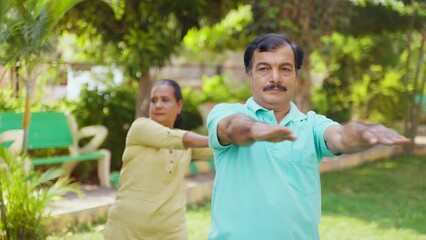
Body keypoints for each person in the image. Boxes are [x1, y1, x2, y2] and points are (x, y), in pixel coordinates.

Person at [206, 33, 410, 240]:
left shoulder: (311, 125)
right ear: (250, 75)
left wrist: (362, 133)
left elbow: (340, 136)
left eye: (285, 69)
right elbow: (230, 127)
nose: (275, 78)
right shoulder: (226, 112)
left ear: (296, 76)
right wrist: (252, 130)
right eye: (264, 68)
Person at [103, 79, 213, 240]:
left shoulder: (184, 141)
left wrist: (250, 137)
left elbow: (218, 150)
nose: (158, 105)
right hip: (127, 229)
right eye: (154, 101)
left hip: (172, 230)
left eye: (165, 100)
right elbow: (174, 138)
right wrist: (219, 138)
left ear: (179, 105)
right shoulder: (140, 128)